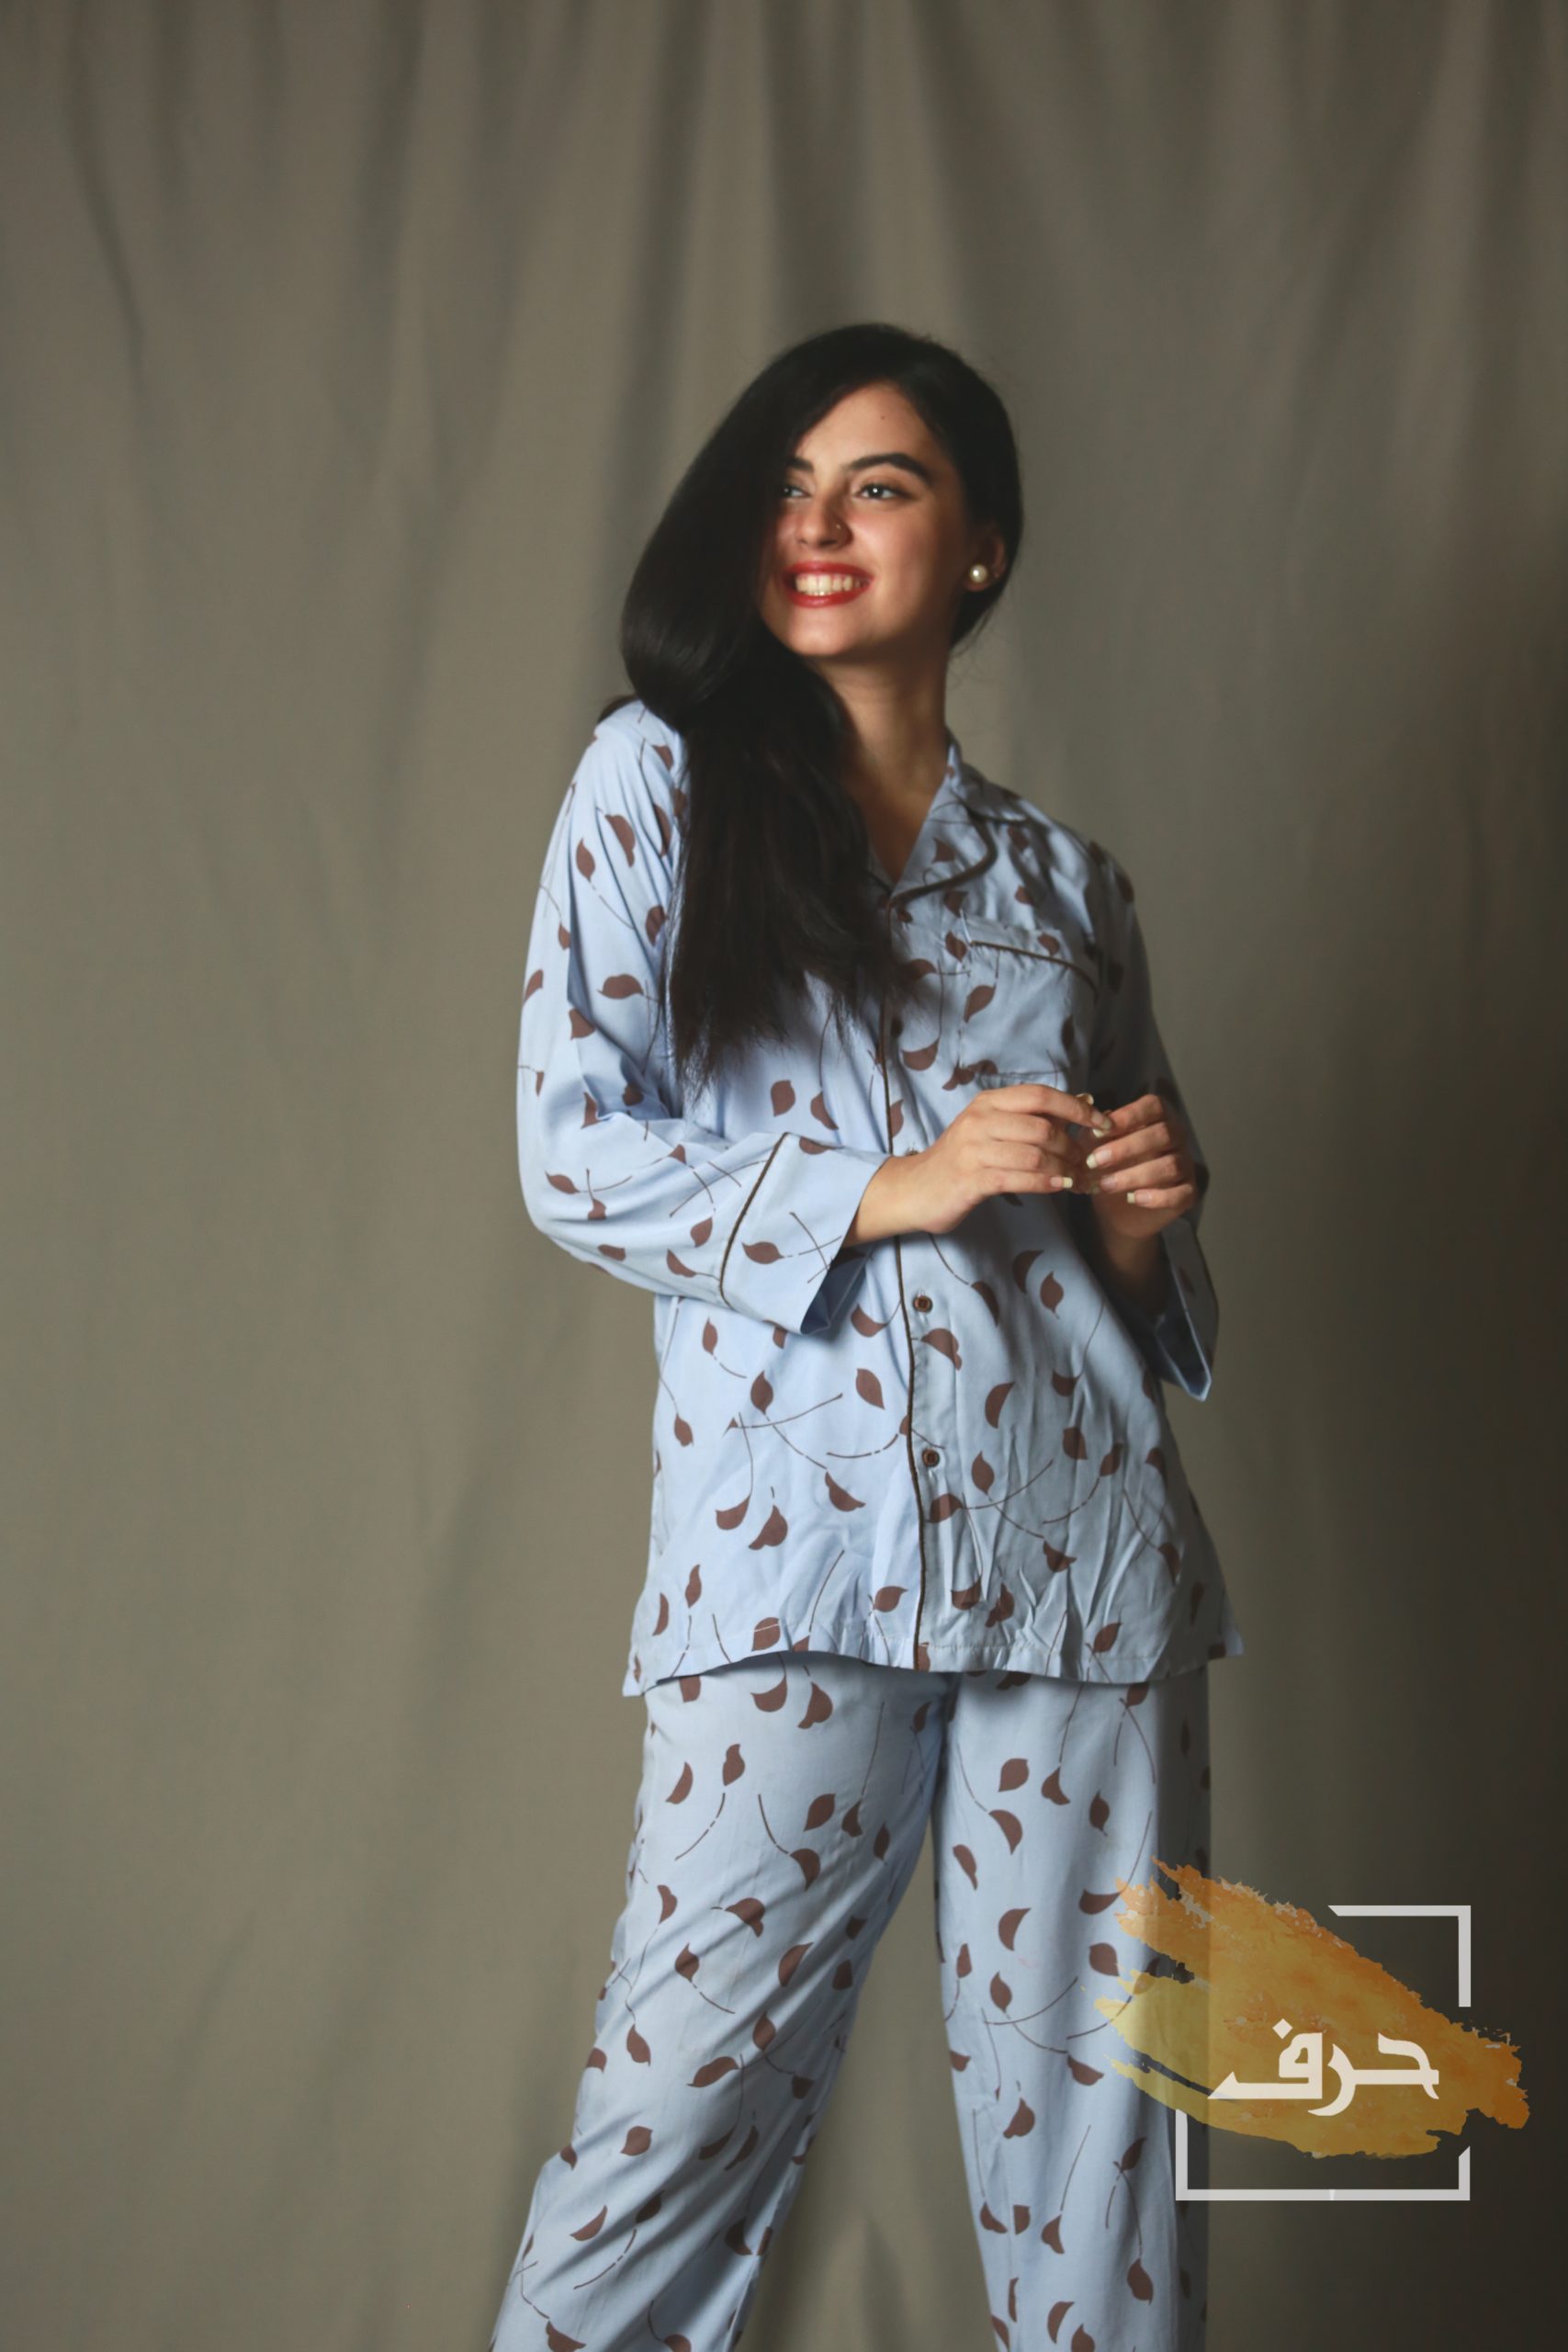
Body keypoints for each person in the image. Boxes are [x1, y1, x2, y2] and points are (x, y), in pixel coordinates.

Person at [491, 322, 1243, 2352]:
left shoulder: (1069, 889)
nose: (817, 526)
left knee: (1107, 2159)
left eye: (879, 485)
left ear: (979, 544)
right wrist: (889, 1184)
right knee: (671, 2129)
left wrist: (1139, 1227)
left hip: (1083, 1569)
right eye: (788, 487)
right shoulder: (655, 787)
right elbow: (571, 1150)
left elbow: (1142, 1290)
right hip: (795, 1560)